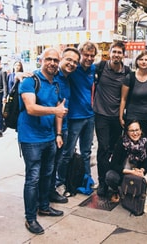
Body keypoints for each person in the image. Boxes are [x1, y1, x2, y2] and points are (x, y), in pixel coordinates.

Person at [18, 48, 68, 235]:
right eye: (49, 59)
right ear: (41, 60)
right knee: (33, 178)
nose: (53, 63)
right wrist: (55, 112)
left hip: (49, 137)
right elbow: (31, 108)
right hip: (31, 139)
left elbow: (59, 108)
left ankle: (44, 206)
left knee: (48, 174)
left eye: (56, 60)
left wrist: (58, 134)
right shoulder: (30, 80)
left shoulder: (55, 84)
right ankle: (30, 218)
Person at [58, 42, 98, 196]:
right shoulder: (73, 69)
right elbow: (56, 70)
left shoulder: (93, 69)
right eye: (86, 55)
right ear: (80, 54)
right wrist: (20, 74)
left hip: (89, 116)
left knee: (87, 152)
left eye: (91, 55)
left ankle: (86, 179)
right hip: (74, 117)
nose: (88, 58)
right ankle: (61, 183)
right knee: (67, 153)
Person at [93, 41, 131, 197]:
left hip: (117, 117)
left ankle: (112, 180)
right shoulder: (100, 67)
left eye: (119, 52)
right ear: (109, 53)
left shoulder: (127, 72)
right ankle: (102, 182)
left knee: (114, 150)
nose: (116, 55)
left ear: (123, 55)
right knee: (103, 148)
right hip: (101, 115)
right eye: (114, 52)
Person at [48, 47, 80, 203]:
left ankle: (52, 189)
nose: (71, 63)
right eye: (68, 59)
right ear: (61, 59)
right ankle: (47, 193)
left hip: (64, 126)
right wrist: (19, 74)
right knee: (48, 163)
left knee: (57, 160)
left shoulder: (69, 78)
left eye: (75, 62)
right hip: (50, 128)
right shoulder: (52, 74)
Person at [119, 50, 147, 164]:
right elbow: (123, 99)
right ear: (136, 61)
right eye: (141, 59)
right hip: (132, 117)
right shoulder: (129, 77)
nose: (144, 62)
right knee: (131, 145)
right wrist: (121, 116)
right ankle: (130, 171)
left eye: (146, 59)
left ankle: (145, 171)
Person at [105, 120, 147, 203]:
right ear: (127, 132)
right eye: (132, 131)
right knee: (110, 176)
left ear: (141, 130)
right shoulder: (122, 142)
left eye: (137, 130)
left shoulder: (145, 142)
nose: (135, 133)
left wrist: (142, 170)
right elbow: (113, 165)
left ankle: (135, 193)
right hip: (124, 172)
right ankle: (116, 191)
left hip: (138, 173)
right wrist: (131, 172)